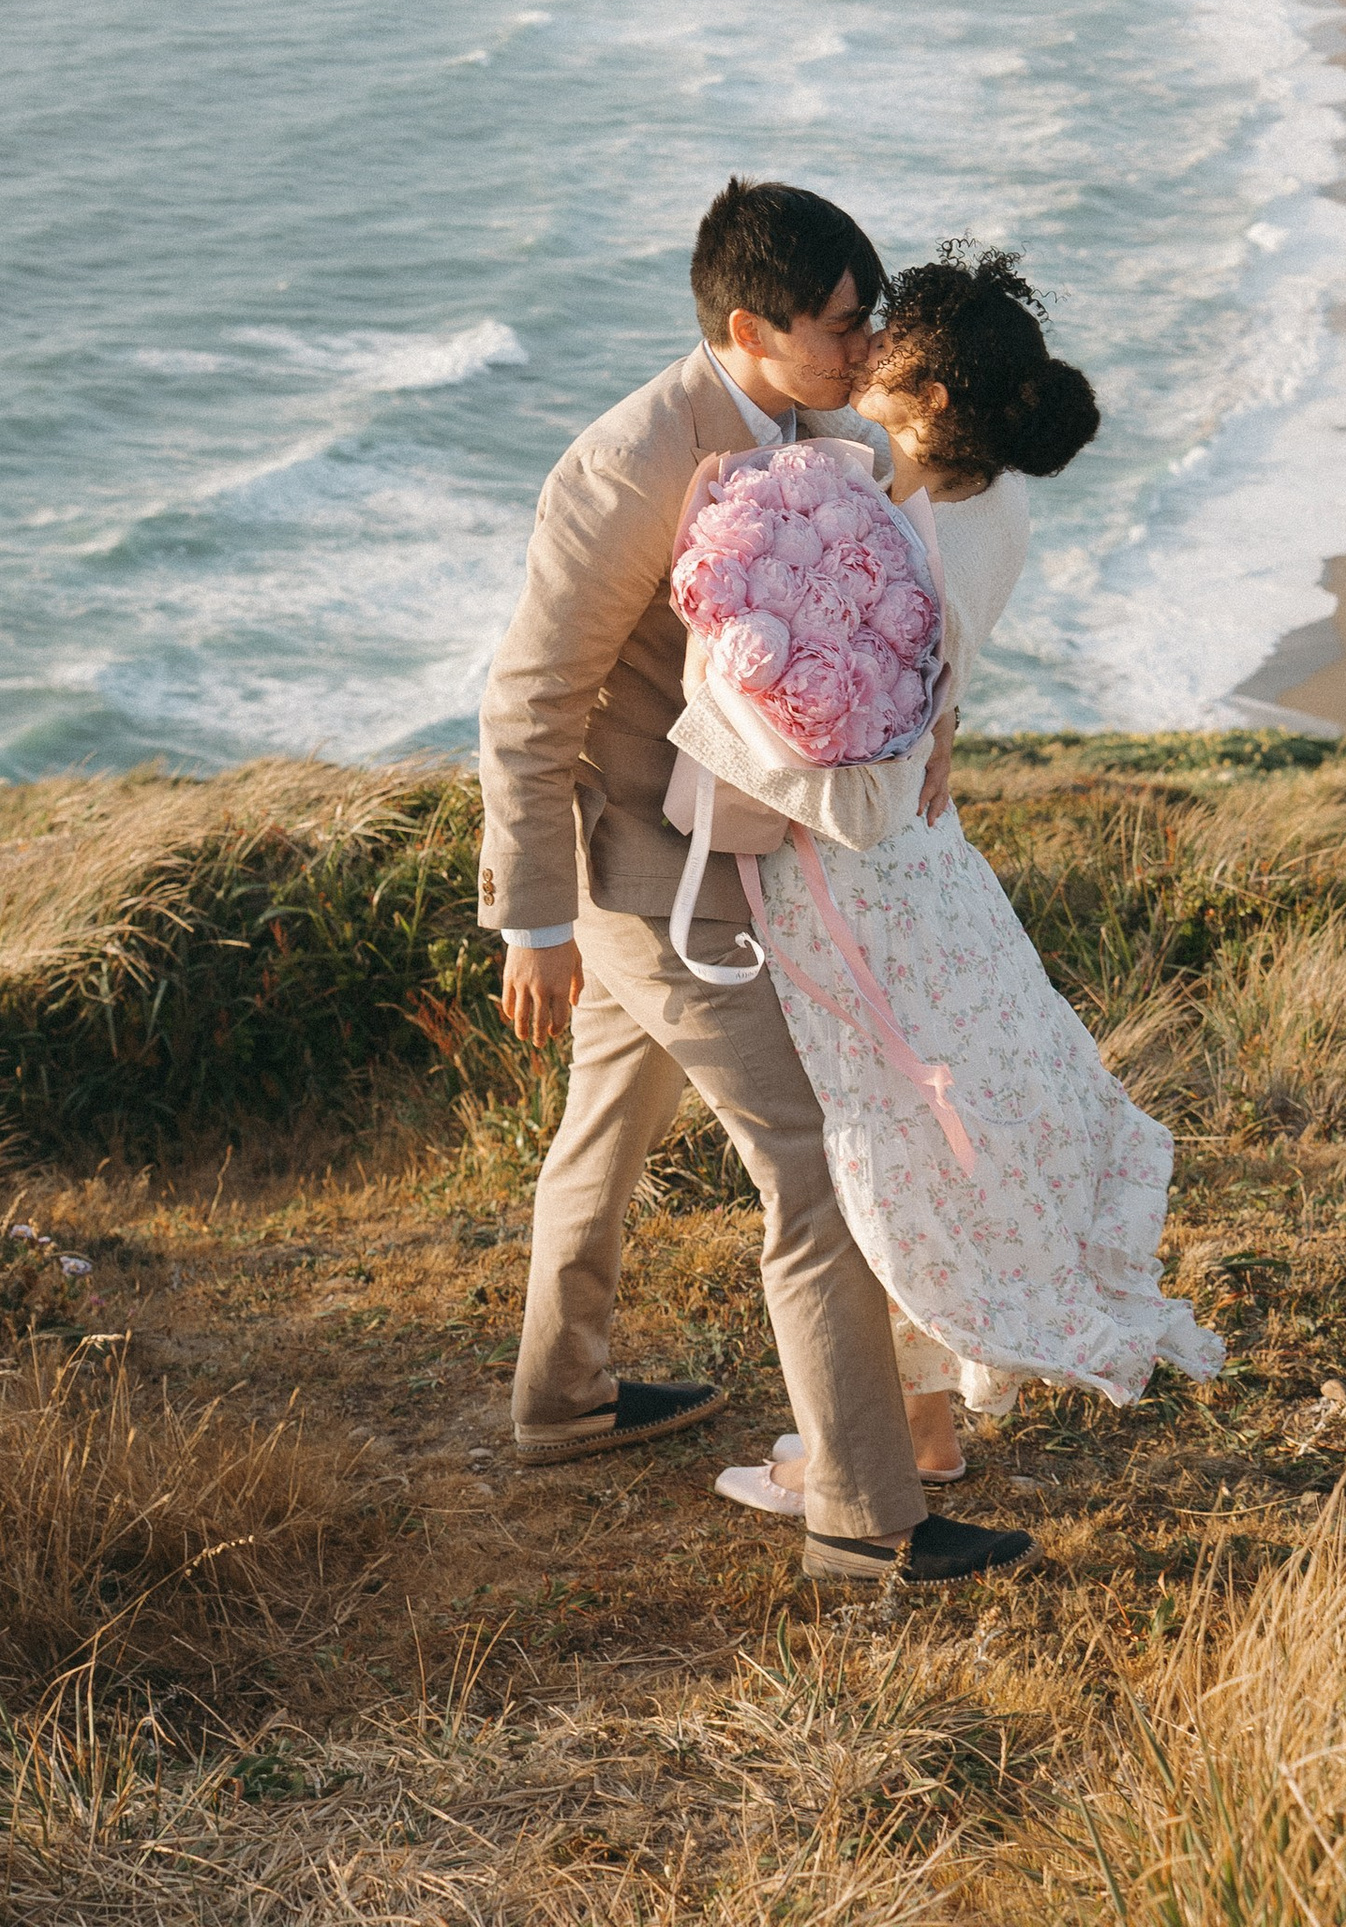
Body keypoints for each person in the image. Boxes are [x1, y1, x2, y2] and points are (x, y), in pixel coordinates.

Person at [478, 178, 1037, 1589]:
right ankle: (864, 1518)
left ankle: (565, 1398)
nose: (868, 350)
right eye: (845, 326)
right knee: (815, 1166)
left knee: (608, 1122)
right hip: (640, 882)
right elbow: (530, 700)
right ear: (750, 325)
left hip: (723, 850)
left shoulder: (819, 425)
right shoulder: (629, 466)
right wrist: (537, 921)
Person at [711, 246, 1222, 1525]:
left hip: (852, 868)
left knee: (886, 1143)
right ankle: (923, 1424)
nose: (859, 355)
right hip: (929, 862)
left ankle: (883, 1442)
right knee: (934, 1134)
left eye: (885, 345)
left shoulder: (886, 513)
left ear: (933, 397)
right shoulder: (993, 503)